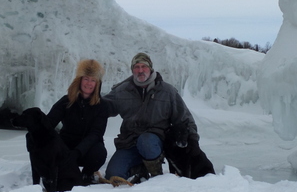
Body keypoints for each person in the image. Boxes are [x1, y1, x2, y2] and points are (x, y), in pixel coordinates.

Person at [103, 52, 198, 182]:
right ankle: (140, 169)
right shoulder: (122, 91)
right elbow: (102, 107)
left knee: (146, 141)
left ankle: (156, 176)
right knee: (113, 175)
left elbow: (185, 119)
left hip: (155, 142)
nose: (140, 70)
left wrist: (193, 141)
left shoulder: (167, 91)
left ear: (151, 68)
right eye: (136, 67)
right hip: (129, 142)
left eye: (144, 66)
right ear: (132, 70)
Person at [46, 59, 108, 185]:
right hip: (66, 145)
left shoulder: (102, 106)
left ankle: (87, 174)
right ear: (79, 80)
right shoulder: (66, 101)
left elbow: (96, 133)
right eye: (86, 79)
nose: (89, 83)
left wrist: (78, 152)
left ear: (97, 84)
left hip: (88, 149)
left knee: (99, 153)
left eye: (93, 80)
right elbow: (48, 123)